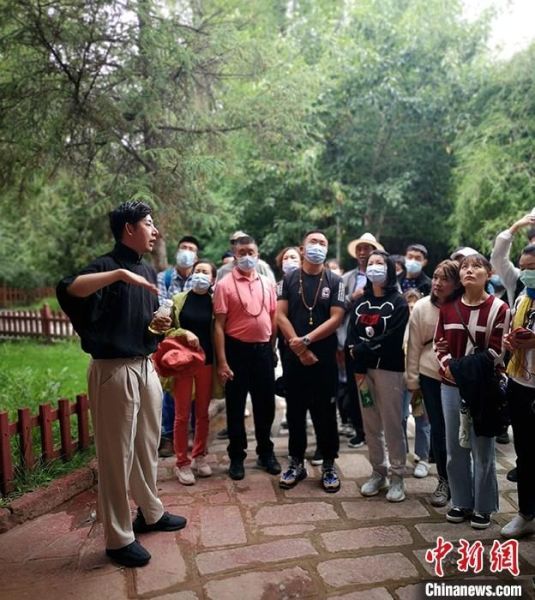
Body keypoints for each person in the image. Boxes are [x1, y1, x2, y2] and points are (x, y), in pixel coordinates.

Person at [56, 201, 186, 568]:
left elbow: (137, 320)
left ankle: (151, 512)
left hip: (145, 366)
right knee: (116, 456)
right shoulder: (106, 266)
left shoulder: (145, 268)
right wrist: (118, 275)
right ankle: (118, 538)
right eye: (148, 223)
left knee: (146, 447)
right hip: (114, 371)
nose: (155, 231)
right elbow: (69, 289)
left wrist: (159, 324)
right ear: (129, 228)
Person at [434, 254, 510, 530]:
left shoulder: (499, 308)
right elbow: (439, 344)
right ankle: (461, 501)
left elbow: (497, 351)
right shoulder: (448, 309)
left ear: (488, 274)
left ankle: (484, 507)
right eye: (465, 266)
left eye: (476, 266)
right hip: (450, 386)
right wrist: (449, 368)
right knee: (455, 448)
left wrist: (459, 369)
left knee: (482, 448)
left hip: (482, 388)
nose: (469, 270)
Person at [277, 230, 345, 492]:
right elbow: (280, 315)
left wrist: (306, 340)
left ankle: (328, 463)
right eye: (313, 242)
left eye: (323, 243)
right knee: (295, 411)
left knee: (325, 412)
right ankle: (296, 462)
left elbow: (336, 318)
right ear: (302, 249)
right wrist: (299, 347)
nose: (318, 246)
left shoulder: (335, 281)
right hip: (294, 357)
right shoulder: (288, 279)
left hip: (324, 357)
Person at [213, 235, 280, 480]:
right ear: (235, 255)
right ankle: (236, 456)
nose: (247, 257)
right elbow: (218, 325)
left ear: (257, 254)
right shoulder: (224, 285)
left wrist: (272, 348)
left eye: (251, 252)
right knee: (236, 405)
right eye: (242, 252)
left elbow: (272, 316)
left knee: (266, 404)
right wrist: (222, 361)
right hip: (236, 350)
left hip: (263, 351)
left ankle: (266, 452)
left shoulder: (267, 283)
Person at [347, 250, 409, 502]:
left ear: (390, 269)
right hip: (363, 371)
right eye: (371, 263)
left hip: (389, 370)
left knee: (392, 424)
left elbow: (393, 339)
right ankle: (378, 472)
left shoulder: (399, 303)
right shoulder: (360, 302)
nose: (374, 267)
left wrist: (361, 349)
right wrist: (356, 353)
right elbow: (351, 334)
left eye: (379, 263)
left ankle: (397, 476)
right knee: (370, 423)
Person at [406, 260, 461, 507]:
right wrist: (412, 380)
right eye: (436, 277)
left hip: (460, 376)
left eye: (445, 279)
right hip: (430, 375)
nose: (437, 283)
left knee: (462, 431)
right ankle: (444, 480)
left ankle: (464, 480)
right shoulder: (421, 307)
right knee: (439, 429)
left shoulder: (464, 306)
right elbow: (413, 346)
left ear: (457, 284)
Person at [163, 260, 218, 486]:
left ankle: (199, 456)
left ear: (213, 279)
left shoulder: (216, 302)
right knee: (181, 414)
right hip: (183, 362)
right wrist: (184, 332)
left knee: (202, 413)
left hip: (206, 362)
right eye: (197, 271)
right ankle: (182, 462)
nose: (200, 275)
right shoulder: (178, 300)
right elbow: (167, 329)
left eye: (205, 272)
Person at [500, 243, 535, 539]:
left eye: (531, 268)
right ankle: (526, 513)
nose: (525, 274)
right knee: (524, 453)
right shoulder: (523, 298)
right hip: (520, 383)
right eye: (522, 268)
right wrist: (510, 342)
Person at [156, 234, 201, 457]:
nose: (186, 252)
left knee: (194, 389)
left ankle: (190, 432)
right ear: (177, 251)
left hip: (195, 343)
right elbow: (162, 309)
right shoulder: (163, 278)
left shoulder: (200, 278)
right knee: (170, 389)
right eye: (184, 247)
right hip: (171, 341)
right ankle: (167, 436)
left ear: (197, 256)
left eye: (191, 249)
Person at [340, 233, 384, 449]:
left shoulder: (385, 277)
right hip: (352, 339)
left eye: (367, 248)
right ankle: (360, 430)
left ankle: (379, 431)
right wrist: (353, 296)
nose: (363, 252)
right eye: (360, 248)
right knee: (355, 385)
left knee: (379, 387)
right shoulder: (346, 278)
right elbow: (337, 306)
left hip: (379, 341)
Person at [401, 288, 431, 479]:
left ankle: (423, 458)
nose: (412, 309)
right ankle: (401, 453)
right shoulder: (399, 325)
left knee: (422, 419)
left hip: (423, 377)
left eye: (415, 305)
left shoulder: (425, 324)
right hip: (402, 378)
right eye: (408, 305)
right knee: (400, 417)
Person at [491, 211, 535, 306]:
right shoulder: (517, 279)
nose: (526, 271)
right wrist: (515, 227)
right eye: (523, 267)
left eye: (531, 267)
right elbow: (498, 258)